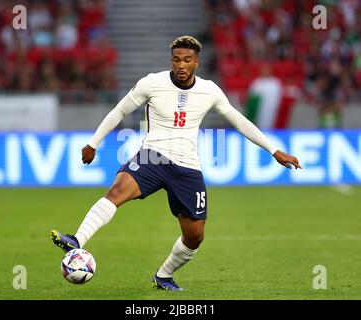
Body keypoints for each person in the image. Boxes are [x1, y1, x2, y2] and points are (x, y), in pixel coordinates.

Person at [50, 35, 302, 291]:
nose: (181, 65)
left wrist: (274, 150)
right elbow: (120, 111)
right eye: (177, 60)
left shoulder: (209, 90)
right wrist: (94, 143)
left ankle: (164, 275)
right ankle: (77, 239)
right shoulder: (151, 83)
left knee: (195, 236)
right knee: (116, 192)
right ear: (171, 60)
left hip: (187, 167)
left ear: (196, 62)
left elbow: (239, 121)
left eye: (187, 60)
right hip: (152, 157)